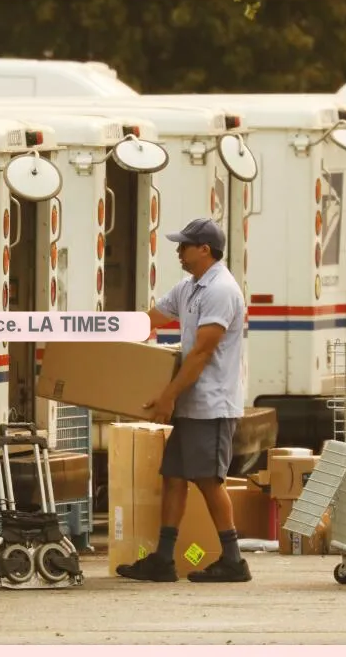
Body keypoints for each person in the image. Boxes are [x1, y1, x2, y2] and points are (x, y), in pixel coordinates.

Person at [116, 217, 251, 584]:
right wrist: (104, 333)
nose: (178, 251)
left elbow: (200, 355)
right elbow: (151, 318)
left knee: (209, 479)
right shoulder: (191, 287)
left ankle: (234, 560)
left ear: (204, 249)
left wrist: (166, 398)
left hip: (212, 402)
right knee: (174, 476)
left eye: (184, 246)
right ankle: (163, 559)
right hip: (193, 402)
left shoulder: (221, 290)